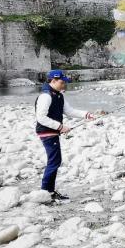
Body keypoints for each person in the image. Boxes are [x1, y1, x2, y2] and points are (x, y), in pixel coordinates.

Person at [35, 69, 96, 200]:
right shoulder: (45, 96)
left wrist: (86, 115)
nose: (64, 85)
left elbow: (69, 111)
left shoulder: (58, 95)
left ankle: (49, 192)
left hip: (52, 132)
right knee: (54, 162)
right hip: (47, 133)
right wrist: (60, 127)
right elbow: (40, 117)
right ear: (53, 81)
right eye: (62, 82)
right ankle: (46, 192)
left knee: (55, 161)